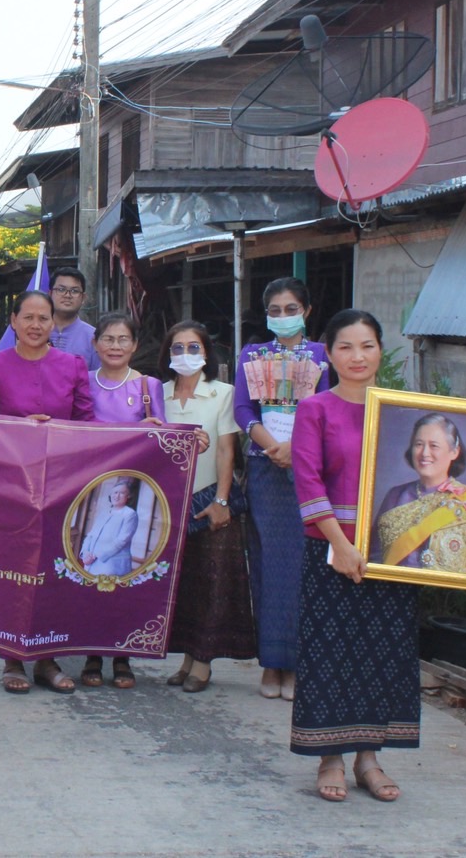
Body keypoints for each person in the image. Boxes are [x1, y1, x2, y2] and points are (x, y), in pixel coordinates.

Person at [290, 309, 466, 803]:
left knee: (383, 656)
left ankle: (369, 757)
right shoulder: (316, 410)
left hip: (391, 559)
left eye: (367, 345)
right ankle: (330, 756)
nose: (357, 356)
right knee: (330, 653)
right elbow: (307, 482)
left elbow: (446, 484)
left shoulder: (401, 410)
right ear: (328, 354)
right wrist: (341, 544)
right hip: (332, 551)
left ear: (379, 351)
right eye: (345, 347)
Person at [0, 290, 92, 695]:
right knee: (14, 571)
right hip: (11, 486)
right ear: (14, 321)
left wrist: (53, 432)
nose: (37, 325)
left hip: (62, 484)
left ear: (53, 323)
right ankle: (12, 658)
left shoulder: (73, 366)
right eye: (29, 318)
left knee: (53, 571)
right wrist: (20, 429)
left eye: (44, 318)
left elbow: (88, 426)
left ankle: (47, 658)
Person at [235, 276, 329, 702]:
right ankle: (270, 664)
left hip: (308, 470)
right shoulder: (252, 355)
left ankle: (296, 663)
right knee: (267, 565)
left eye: (291, 309)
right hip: (265, 468)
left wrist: (297, 448)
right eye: (274, 311)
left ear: (306, 311)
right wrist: (270, 444)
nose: (283, 317)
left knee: (302, 568)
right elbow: (242, 408)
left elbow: (329, 409)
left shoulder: (324, 358)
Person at [159, 320, 256, 695]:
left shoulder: (223, 393)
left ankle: (203, 662)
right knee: (183, 584)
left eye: (193, 348)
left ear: (206, 353)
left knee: (214, 583)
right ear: (168, 354)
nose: (186, 355)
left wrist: (221, 501)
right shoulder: (158, 393)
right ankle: (186, 658)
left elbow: (227, 450)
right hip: (170, 505)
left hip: (210, 499)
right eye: (178, 348)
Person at [79, 311, 166, 689]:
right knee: (87, 585)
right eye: (108, 339)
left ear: (135, 345)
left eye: (123, 340)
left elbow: (164, 441)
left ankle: (122, 657)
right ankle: (91, 655)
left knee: (123, 583)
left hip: (131, 477)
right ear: (96, 344)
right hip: (87, 486)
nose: (115, 346)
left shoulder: (150, 386)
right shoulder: (82, 382)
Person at [371, 413, 466, 575]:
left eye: (434, 446)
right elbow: (374, 557)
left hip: (444, 596)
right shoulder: (395, 496)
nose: (425, 453)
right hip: (391, 590)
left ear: (454, 452)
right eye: (418, 444)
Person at [80, 476, 138, 577]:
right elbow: (91, 535)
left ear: (128, 496)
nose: (117, 496)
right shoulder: (104, 513)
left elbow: (121, 540)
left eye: (122, 493)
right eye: (115, 492)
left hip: (110, 565)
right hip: (90, 563)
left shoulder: (130, 514)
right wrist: (85, 552)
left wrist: (94, 556)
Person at [47, 266, 99, 372]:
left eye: (74, 291)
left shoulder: (94, 337)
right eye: (61, 290)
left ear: (83, 298)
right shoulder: (36, 331)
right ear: (50, 294)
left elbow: (99, 380)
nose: (67, 295)